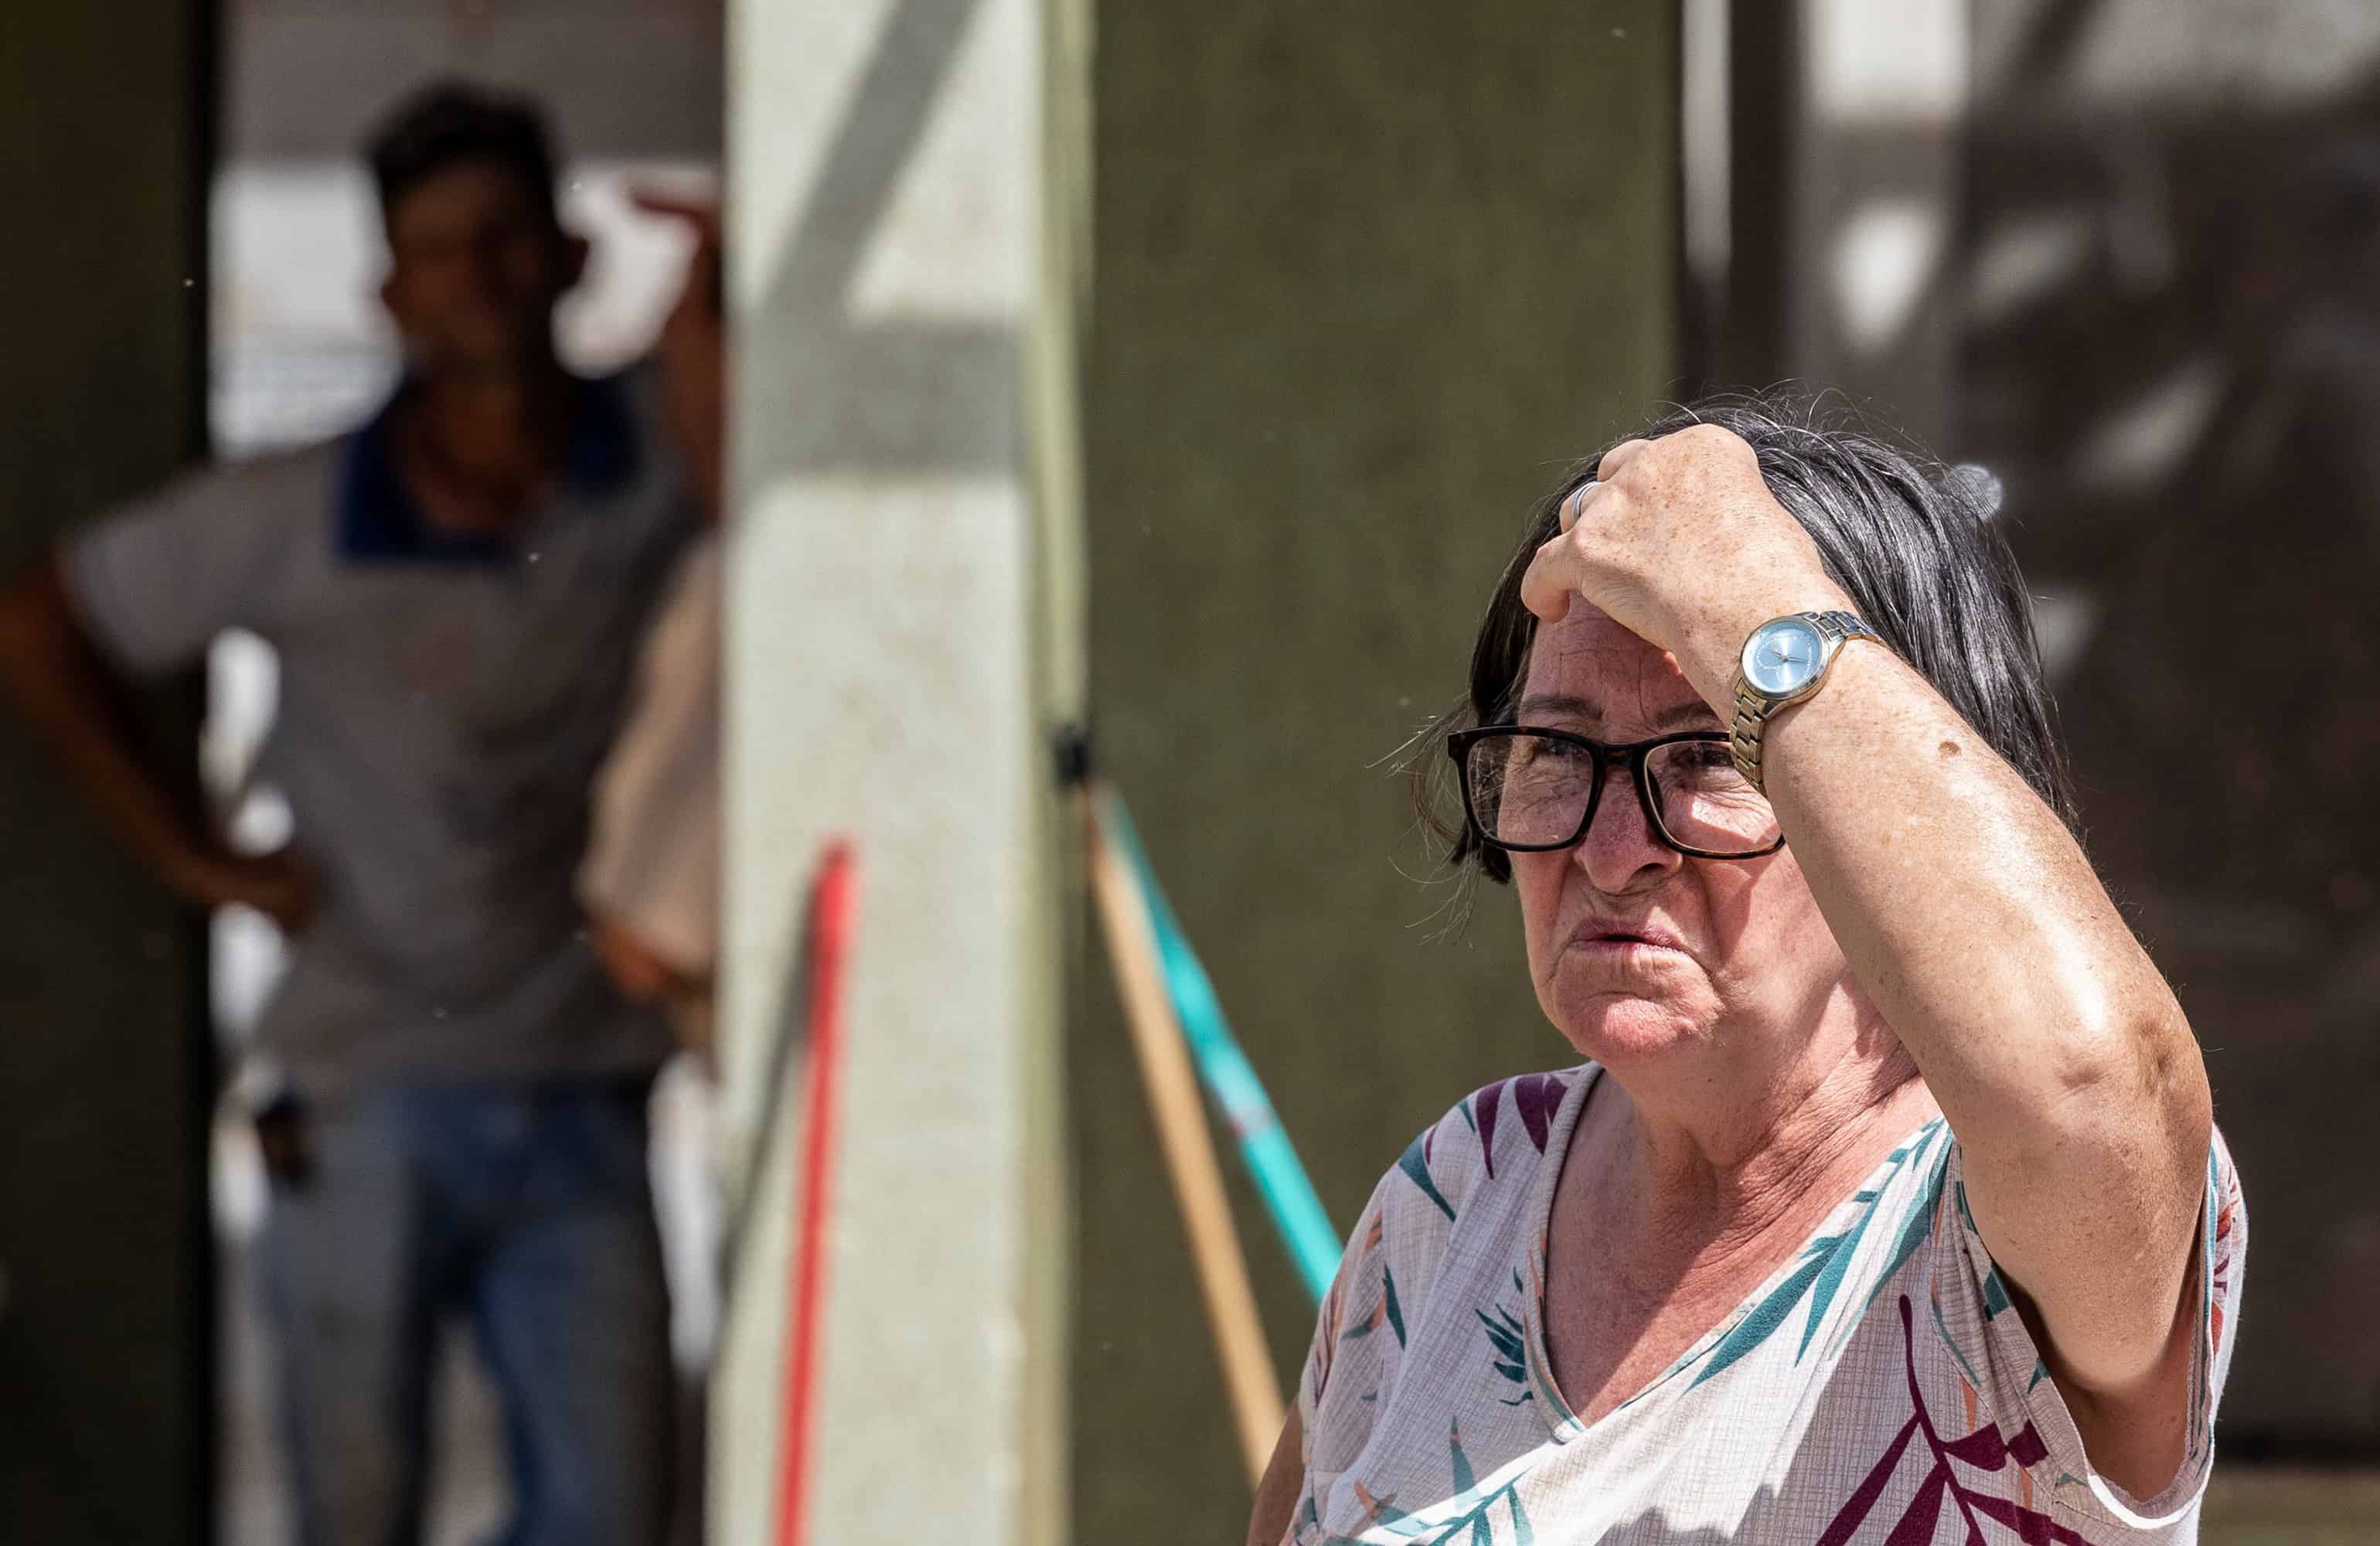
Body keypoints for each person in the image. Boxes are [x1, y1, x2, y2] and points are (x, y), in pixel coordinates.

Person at [1248, 396, 2246, 1544]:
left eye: (1710, 756)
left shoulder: (1989, 1238)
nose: (1611, 852)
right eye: (1555, 751)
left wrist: (1749, 595)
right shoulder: (1455, 1202)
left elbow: (2092, 1081)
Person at [0, 82, 705, 1544]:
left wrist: (720, 273)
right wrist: (197, 859)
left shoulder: (651, 463)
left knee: (611, 1519)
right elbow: (42, 621)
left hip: (584, 1088)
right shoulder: (295, 510)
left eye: (509, 238)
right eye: (439, 250)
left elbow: (771, 430)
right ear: (390, 289)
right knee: (354, 1510)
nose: (480, 277)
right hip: (360, 1091)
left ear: (571, 257)